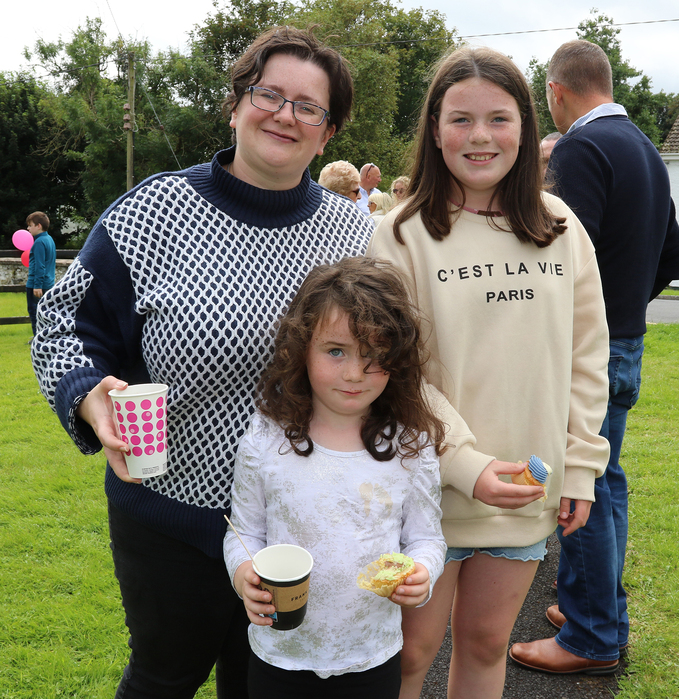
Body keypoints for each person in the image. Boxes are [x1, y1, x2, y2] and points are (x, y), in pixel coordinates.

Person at [30, 26, 375, 699]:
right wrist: (88, 396)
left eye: (309, 106)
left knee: (266, 687)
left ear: (327, 134)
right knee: (163, 678)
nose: (285, 114)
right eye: (268, 94)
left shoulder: (355, 236)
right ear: (236, 104)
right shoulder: (153, 211)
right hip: (170, 519)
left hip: (296, 524)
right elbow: (64, 323)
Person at [368, 45, 611, 698]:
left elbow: (588, 357)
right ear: (434, 130)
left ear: (526, 128)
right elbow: (392, 369)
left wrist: (581, 466)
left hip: (526, 486)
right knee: (408, 654)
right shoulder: (399, 234)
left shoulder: (561, 227)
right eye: (461, 119)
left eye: (499, 118)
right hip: (424, 491)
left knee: (483, 643)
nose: (481, 136)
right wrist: (464, 463)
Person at [509, 39, 679, 676]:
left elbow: (555, 256)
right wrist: (627, 310)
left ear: (555, 92)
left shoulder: (581, 148)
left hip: (586, 348)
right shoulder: (645, 147)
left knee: (578, 480)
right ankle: (598, 611)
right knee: (605, 480)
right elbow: (673, 256)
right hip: (626, 340)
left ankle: (591, 637)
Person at [224, 256, 447, 699]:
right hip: (280, 655)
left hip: (371, 657)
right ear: (300, 348)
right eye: (335, 351)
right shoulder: (266, 438)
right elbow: (243, 531)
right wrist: (242, 573)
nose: (353, 373)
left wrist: (422, 573)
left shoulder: (410, 446)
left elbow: (427, 538)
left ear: (397, 359)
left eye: (374, 355)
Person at [24, 211, 56, 337]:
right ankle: (46, 338)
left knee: (35, 312)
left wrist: (37, 285)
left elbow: (40, 266)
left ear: (38, 226)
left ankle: (38, 339)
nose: (28, 228)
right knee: (46, 313)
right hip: (49, 283)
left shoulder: (39, 242)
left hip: (37, 285)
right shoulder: (49, 239)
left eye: (30, 225)